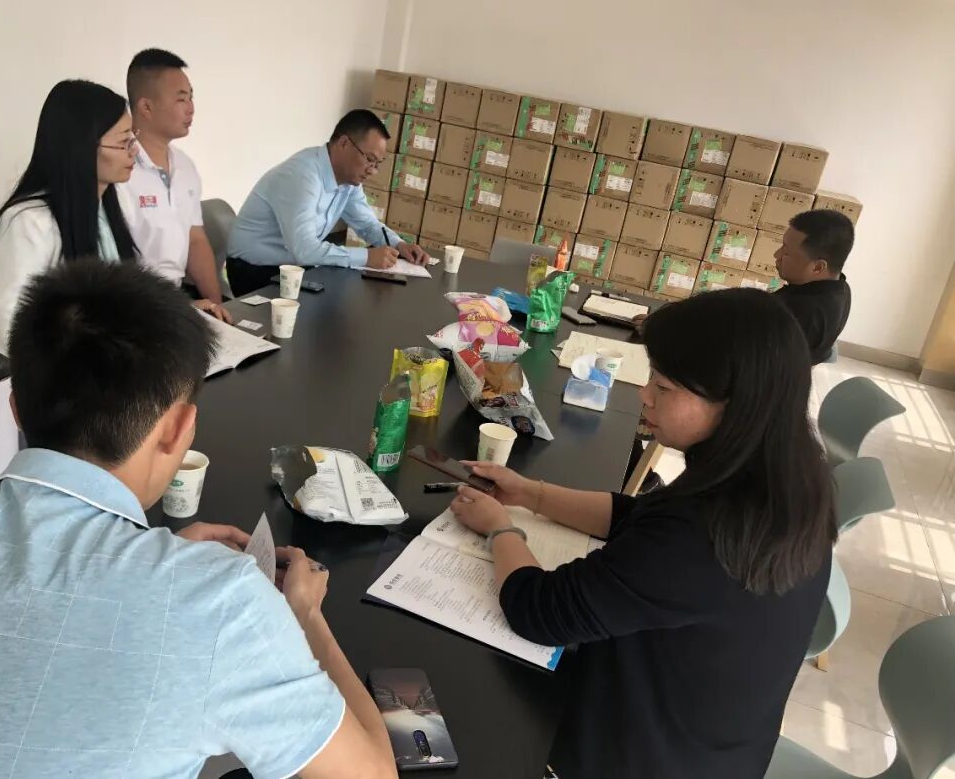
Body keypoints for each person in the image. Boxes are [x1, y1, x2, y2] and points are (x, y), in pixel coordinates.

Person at [0, 260, 396, 779]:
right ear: (178, 429)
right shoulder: (222, 606)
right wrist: (303, 615)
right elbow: (371, 774)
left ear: (14, 409)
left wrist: (155, 558)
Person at [447, 288, 836, 779]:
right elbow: (638, 517)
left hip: (643, 756)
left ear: (735, 404)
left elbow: (538, 610)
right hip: (718, 746)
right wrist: (530, 493)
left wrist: (500, 528)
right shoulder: (785, 478)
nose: (645, 394)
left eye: (664, 386)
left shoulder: (699, 537)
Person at [0, 79, 227, 356]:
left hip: (106, 361)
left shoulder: (111, 204)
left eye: (133, 138)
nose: (135, 150)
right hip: (43, 373)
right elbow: (17, 330)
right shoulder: (28, 222)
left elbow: (124, 300)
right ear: (82, 149)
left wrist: (179, 313)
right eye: (124, 142)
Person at [225, 109, 429, 296]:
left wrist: (398, 244)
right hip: (254, 271)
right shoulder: (303, 175)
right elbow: (305, 249)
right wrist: (367, 257)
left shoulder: (349, 180)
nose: (372, 170)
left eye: (378, 164)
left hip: (293, 265)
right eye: (369, 159)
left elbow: (367, 224)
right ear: (344, 143)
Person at [120, 48, 230, 318]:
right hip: (130, 308)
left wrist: (216, 307)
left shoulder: (185, 166)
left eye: (191, 97)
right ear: (146, 107)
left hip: (176, 301)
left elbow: (195, 241)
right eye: (181, 99)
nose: (191, 108)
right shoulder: (118, 168)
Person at [773, 208, 854, 365]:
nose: (777, 255)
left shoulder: (799, 314)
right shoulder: (841, 286)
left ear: (817, 267)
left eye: (786, 252)